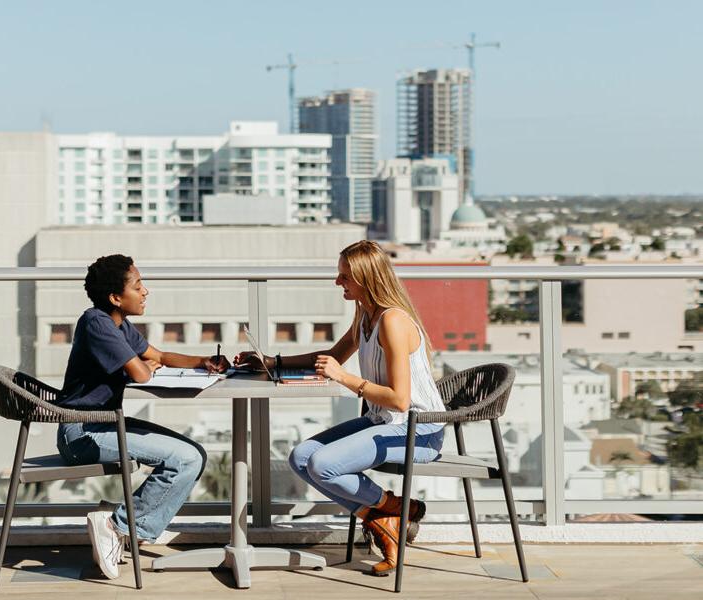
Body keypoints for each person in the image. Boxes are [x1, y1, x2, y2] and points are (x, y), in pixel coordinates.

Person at [235, 240, 445, 577]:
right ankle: (387, 518)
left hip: (419, 430)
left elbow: (400, 399)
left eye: (344, 277)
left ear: (365, 279)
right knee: (301, 457)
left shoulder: (392, 321)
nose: (338, 283)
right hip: (383, 421)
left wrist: (345, 378)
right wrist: (272, 362)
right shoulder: (365, 314)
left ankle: (394, 509)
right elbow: (333, 355)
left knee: (323, 464)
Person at [56, 254, 229, 580]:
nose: (145, 291)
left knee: (195, 454)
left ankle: (120, 526)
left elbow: (159, 356)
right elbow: (141, 372)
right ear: (115, 297)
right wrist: (145, 368)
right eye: (138, 286)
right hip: (82, 434)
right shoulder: (97, 323)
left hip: (105, 423)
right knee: (186, 459)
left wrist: (203, 361)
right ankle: (115, 525)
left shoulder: (119, 325)